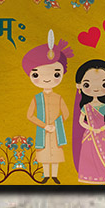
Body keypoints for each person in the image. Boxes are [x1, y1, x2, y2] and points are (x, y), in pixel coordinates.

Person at [22, 31, 74, 182]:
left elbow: (66, 113)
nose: (46, 78)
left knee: (56, 152)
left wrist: (56, 124)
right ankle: (46, 175)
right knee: (44, 153)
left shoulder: (58, 97)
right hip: (43, 130)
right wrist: (44, 126)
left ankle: (55, 175)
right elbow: (29, 115)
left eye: (56, 74)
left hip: (56, 130)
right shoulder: (36, 98)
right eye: (36, 75)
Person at [72, 58, 105, 184]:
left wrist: (100, 129)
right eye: (87, 85)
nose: (95, 89)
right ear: (79, 86)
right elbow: (81, 121)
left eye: (104, 85)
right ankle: (91, 177)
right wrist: (91, 128)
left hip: (103, 134)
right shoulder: (86, 107)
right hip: (89, 135)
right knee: (89, 155)